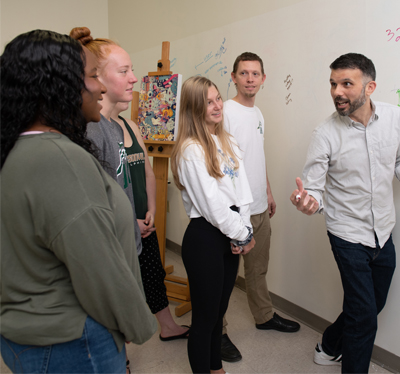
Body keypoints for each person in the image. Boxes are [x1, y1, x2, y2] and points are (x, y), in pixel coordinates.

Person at [0, 30, 156, 373]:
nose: (99, 88)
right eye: (91, 77)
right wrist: (136, 323)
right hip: (70, 341)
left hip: (30, 332)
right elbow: (98, 267)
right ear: (58, 86)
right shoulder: (60, 160)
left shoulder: (22, 148)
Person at [290, 53, 400, 373]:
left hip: (384, 229)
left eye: (346, 84)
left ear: (369, 86)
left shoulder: (395, 118)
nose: (337, 92)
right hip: (346, 232)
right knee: (363, 318)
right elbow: (313, 188)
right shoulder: (325, 133)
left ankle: (329, 345)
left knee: (373, 304)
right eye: (333, 84)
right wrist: (308, 201)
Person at [70, 27, 189, 345]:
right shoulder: (91, 132)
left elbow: (148, 173)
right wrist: (127, 222)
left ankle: (163, 326)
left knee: (151, 275)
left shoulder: (127, 124)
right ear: (97, 78)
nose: (134, 79)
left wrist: (150, 211)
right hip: (116, 231)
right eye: (124, 71)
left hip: (139, 222)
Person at [171, 76, 256, 373]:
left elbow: (242, 191)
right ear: (194, 108)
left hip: (231, 233)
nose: (217, 105)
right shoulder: (190, 150)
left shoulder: (226, 140)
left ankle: (215, 367)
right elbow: (212, 206)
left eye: (218, 98)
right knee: (205, 318)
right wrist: (242, 233)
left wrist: (244, 230)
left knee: (219, 314)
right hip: (206, 237)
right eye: (208, 101)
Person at [221, 51, 300, 362]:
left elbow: (256, 157)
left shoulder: (258, 114)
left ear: (263, 79)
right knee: (225, 276)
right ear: (234, 77)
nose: (250, 79)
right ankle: (219, 329)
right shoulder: (225, 111)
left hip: (257, 205)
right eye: (244, 73)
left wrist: (266, 191)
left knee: (258, 269)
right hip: (232, 210)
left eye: (255, 74)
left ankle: (264, 316)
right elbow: (217, 160)